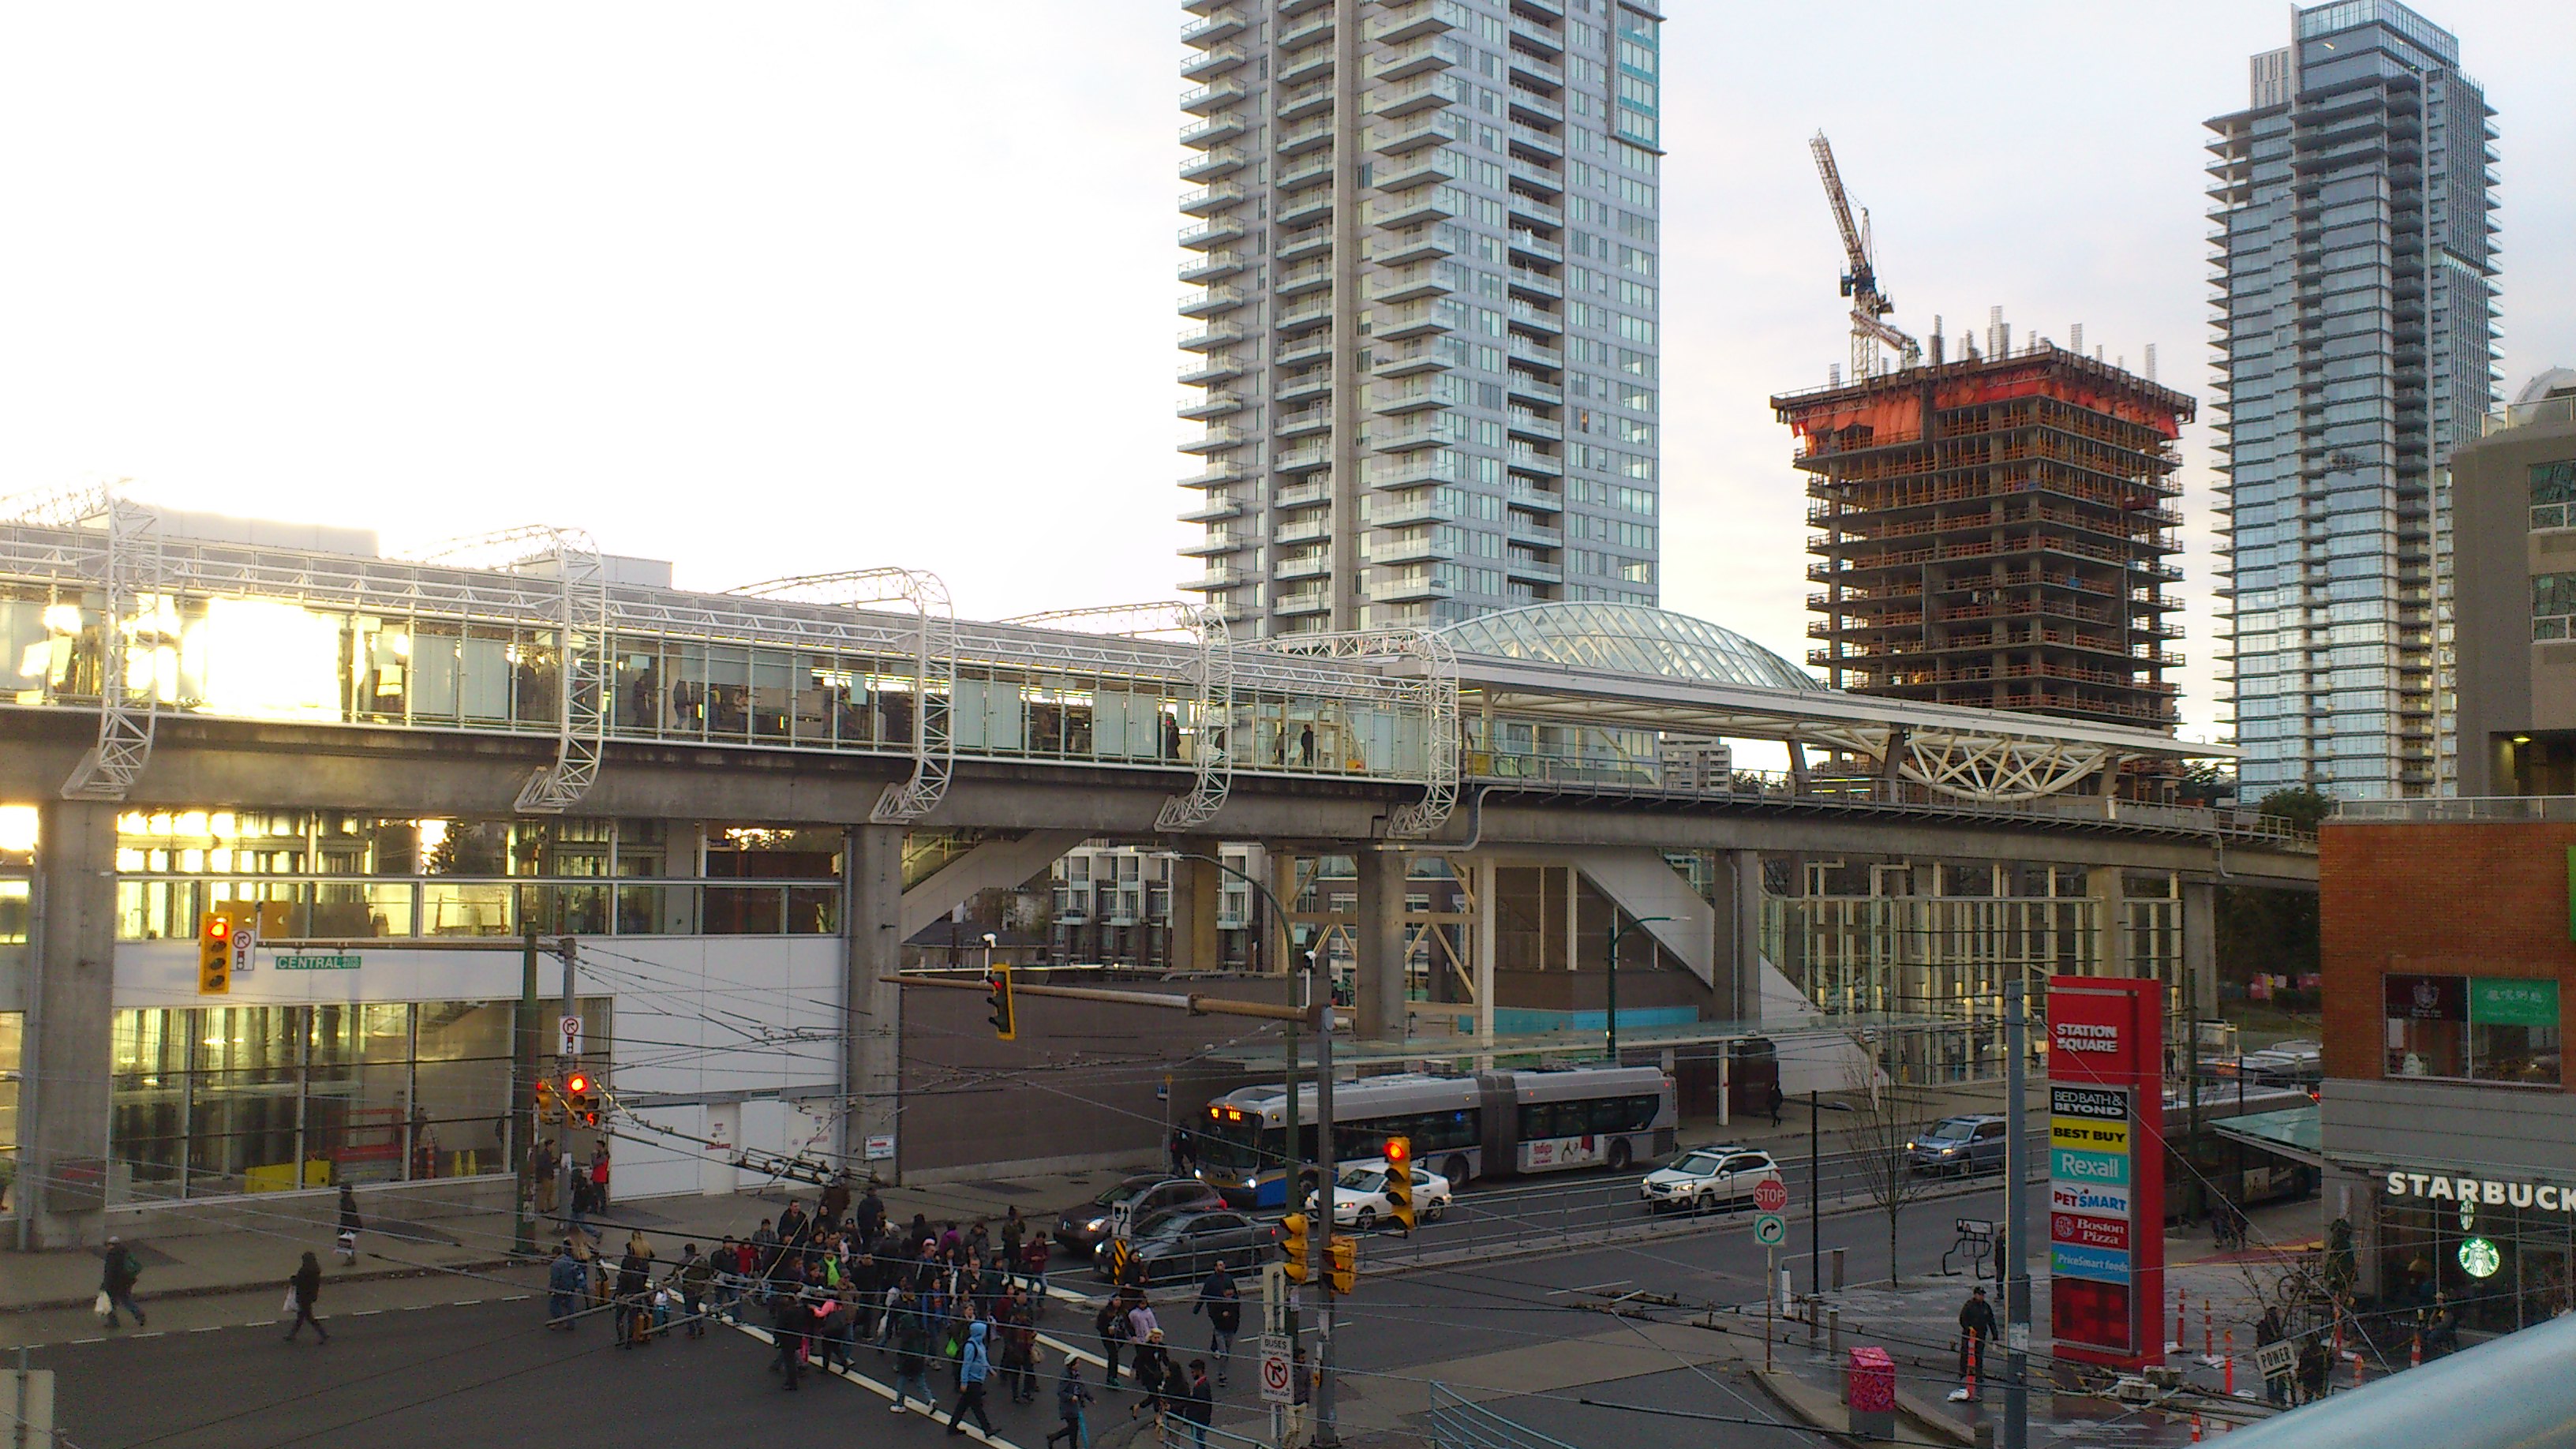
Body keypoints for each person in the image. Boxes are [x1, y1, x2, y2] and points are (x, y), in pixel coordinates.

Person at [1195, 1259, 1241, 1386]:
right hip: (1215, 1310)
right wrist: (1197, 1308)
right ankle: (1221, 1371)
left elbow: (1235, 1296)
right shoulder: (1210, 1280)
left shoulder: (1228, 1278)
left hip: (1229, 1321)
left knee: (1225, 1345)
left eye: (1223, 1264)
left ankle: (1215, 1347)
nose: (1222, 1266)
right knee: (1219, 1331)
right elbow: (1204, 1294)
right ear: (1215, 1267)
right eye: (1220, 1265)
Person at [946, 1319, 995, 1437]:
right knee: (977, 1406)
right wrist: (964, 1382)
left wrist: (990, 1370)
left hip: (977, 1379)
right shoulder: (971, 1346)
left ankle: (952, 1427)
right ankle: (987, 1429)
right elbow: (966, 1365)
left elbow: (983, 1359)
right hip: (972, 1380)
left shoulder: (979, 1344)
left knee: (963, 1405)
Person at [891, 1287, 936, 1414]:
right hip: (919, 1360)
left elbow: (903, 1349)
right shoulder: (919, 1333)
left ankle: (900, 1404)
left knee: (902, 1381)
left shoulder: (906, 1335)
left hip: (907, 1361)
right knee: (921, 1382)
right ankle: (930, 1400)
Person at [99, 1237, 146, 1329]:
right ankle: (139, 1314)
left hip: (114, 1284)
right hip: (126, 1282)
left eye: (108, 1245)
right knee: (126, 1300)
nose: (107, 1247)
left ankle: (114, 1323)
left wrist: (105, 1285)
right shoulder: (125, 1252)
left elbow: (110, 1272)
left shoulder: (112, 1255)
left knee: (109, 1303)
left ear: (111, 1245)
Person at [1958, 1286, 1996, 1398]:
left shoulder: (1986, 1307)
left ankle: (1979, 1375)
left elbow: (1991, 1321)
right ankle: (1962, 1373)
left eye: (1983, 1295)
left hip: (1981, 1334)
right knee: (1965, 1353)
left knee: (1979, 1354)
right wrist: (1968, 1328)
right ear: (1975, 1295)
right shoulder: (1969, 1306)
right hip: (1969, 1334)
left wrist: (1995, 1335)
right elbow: (1962, 1319)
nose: (1981, 1297)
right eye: (1980, 1294)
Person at [285, 1251, 330, 1343]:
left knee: (308, 1317)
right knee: (302, 1317)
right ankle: (292, 1334)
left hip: (303, 1296)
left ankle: (323, 1334)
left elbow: (299, 1282)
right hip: (310, 1296)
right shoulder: (315, 1270)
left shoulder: (304, 1271)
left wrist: (293, 1279)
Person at [1046, 1361, 1094, 1449]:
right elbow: (1060, 1392)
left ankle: (1053, 1437)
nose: (1079, 1365)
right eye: (1077, 1363)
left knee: (1073, 1428)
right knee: (1074, 1428)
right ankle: (1071, 1446)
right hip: (1068, 1407)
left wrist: (1090, 1398)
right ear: (1072, 1365)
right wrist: (1071, 1397)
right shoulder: (1066, 1377)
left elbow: (1082, 1388)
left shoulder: (1076, 1375)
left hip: (1075, 1406)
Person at [615, 1244, 653, 1346]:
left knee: (619, 1318)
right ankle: (630, 1340)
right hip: (635, 1298)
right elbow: (641, 1288)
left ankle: (621, 1338)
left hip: (624, 1298)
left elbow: (619, 1288)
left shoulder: (623, 1276)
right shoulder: (638, 1276)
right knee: (631, 1320)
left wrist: (616, 1295)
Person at [1129, 1328, 1171, 1421]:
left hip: (1157, 1374)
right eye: (1155, 1338)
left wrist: (1169, 1368)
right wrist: (1133, 1370)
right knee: (1155, 1395)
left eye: (1158, 1338)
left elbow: (1165, 1359)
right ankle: (1157, 1417)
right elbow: (1138, 1359)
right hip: (1147, 1374)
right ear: (1150, 1338)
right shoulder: (1145, 1347)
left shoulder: (1161, 1347)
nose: (1157, 1340)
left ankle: (1137, 1407)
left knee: (1153, 1395)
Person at [674, 1242, 713, 1338]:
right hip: (700, 1288)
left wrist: (664, 1281)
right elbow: (709, 1272)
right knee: (695, 1307)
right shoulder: (702, 1260)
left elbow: (675, 1274)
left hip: (689, 1288)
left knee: (689, 1309)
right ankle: (700, 1326)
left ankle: (692, 1330)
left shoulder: (683, 1262)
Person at [547, 1241, 586, 1330]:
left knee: (554, 1304)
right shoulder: (569, 1260)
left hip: (561, 1287)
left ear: (555, 1254)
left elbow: (555, 1279)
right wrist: (577, 1285)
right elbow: (576, 1272)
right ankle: (571, 1323)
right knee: (570, 1304)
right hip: (571, 1286)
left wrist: (551, 1289)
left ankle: (558, 1320)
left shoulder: (555, 1265)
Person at [1177, 1360, 1215, 1449]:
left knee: (1199, 1443)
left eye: (1193, 1372)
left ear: (1199, 1371)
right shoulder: (1202, 1385)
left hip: (1199, 1421)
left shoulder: (1201, 1387)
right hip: (1201, 1420)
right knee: (1199, 1441)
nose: (1192, 1374)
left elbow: (1201, 1407)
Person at [335, 1183, 362, 1266]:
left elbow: (348, 1212)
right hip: (350, 1223)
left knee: (346, 1241)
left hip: (348, 1223)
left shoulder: (346, 1200)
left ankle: (350, 1259)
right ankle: (350, 1258)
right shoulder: (348, 1199)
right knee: (347, 1241)